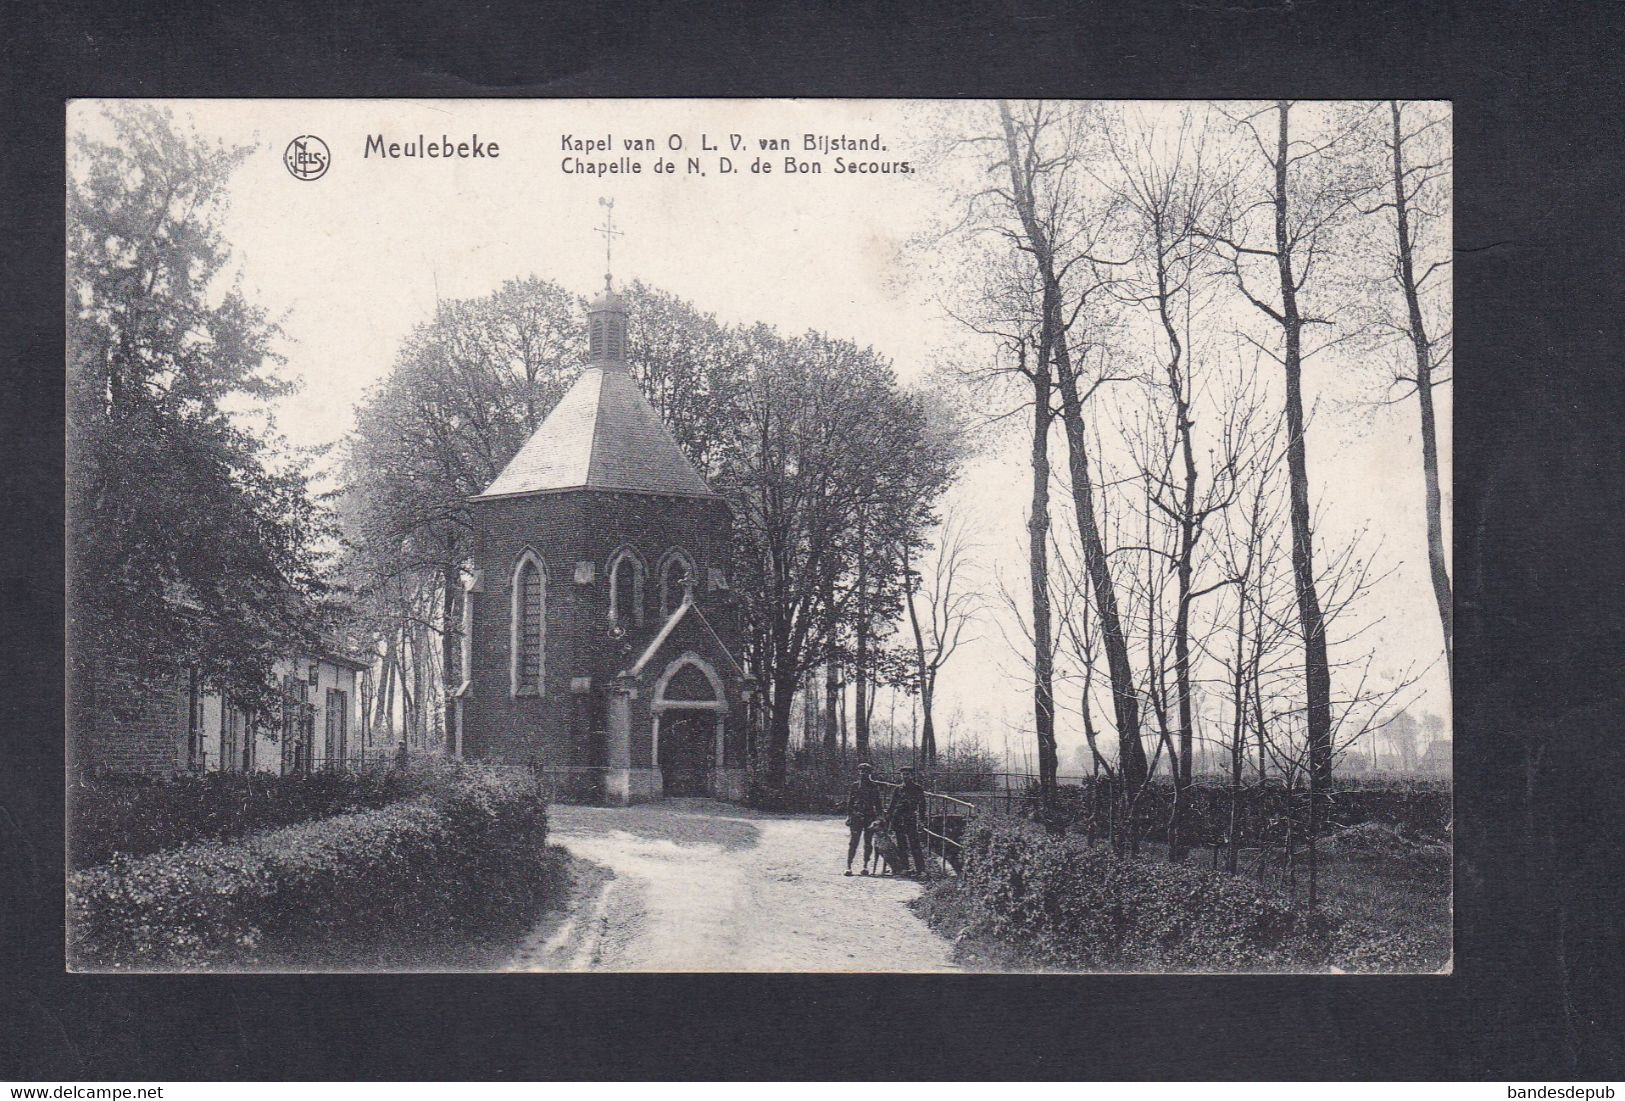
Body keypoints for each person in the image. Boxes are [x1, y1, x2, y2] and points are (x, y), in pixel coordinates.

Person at [886, 765, 929, 877]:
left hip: (910, 818)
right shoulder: (898, 789)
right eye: (903, 774)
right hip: (898, 819)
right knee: (901, 845)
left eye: (907, 774)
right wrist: (888, 819)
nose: (905, 777)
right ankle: (905, 868)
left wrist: (921, 820)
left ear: (912, 775)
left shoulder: (917, 788)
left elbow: (922, 805)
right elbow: (892, 805)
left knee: (915, 844)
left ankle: (921, 869)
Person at [844, 762, 886, 876]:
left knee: (868, 842)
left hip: (869, 817)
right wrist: (849, 817)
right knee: (853, 842)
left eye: (866, 771)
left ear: (869, 773)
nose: (863, 773)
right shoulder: (854, 786)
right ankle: (848, 866)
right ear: (859, 772)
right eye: (861, 771)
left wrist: (879, 818)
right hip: (856, 816)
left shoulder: (874, 787)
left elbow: (878, 804)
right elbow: (850, 803)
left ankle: (865, 866)